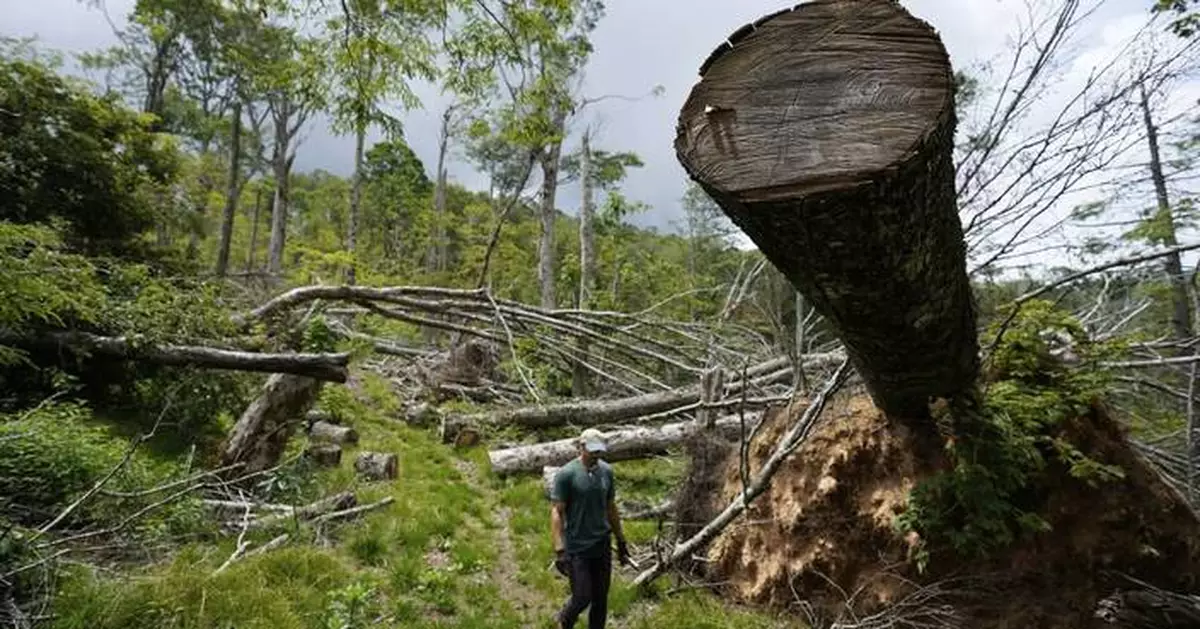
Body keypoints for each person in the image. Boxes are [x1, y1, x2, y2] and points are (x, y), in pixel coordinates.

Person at [549, 428, 632, 629]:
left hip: (602, 544)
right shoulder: (567, 474)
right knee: (582, 597)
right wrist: (560, 549)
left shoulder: (606, 472)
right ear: (582, 446)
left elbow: (610, 507)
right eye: (593, 450)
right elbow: (557, 512)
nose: (597, 454)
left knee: (600, 598)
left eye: (599, 450)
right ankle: (564, 620)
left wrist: (621, 540)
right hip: (578, 547)